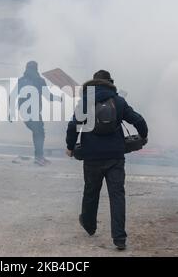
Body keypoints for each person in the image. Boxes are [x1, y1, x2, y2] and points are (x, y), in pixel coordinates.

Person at [66, 70, 148, 250]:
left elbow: (73, 126)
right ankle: (119, 239)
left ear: (93, 84)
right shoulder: (118, 101)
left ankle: (89, 225)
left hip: (91, 156)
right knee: (117, 196)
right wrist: (143, 136)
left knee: (91, 192)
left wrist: (70, 147)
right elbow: (138, 120)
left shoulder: (85, 102)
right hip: (115, 157)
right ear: (110, 82)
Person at [12, 61, 61, 166]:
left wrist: (10, 112)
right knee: (39, 133)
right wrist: (58, 98)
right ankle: (39, 157)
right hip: (33, 111)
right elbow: (48, 96)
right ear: (36, 69)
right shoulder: (39, 80)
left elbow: (12, 96)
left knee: (38, 132)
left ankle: (39, 156)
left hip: (24, 112)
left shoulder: (21, 81)